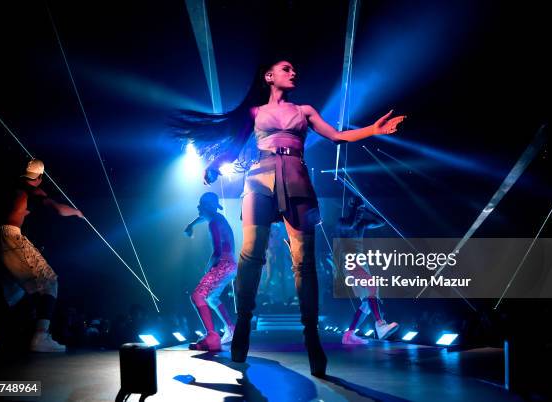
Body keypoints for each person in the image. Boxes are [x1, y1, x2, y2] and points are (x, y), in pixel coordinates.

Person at [171, 59, 406, 377]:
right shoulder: (255, 113)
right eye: (286, 68)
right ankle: (242, 328)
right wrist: (214, 165)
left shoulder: (305, 111)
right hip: (259, 180)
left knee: (304, 262)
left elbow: (336, 136)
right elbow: (237, 145)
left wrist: (373, 130)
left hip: (296, 179)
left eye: (295, 68)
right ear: (268, 76)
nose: (293, 72)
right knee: (250, 256)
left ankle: (313, 339)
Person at [0, 159, 84, 352]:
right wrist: (77, 212)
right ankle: (41, 337)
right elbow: (60, 210)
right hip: (11, 237)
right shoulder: (34, 191)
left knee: (11, 293)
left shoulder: (16, 188)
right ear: (40, 177)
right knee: (50, 281)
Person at [336, 197, 399, 345]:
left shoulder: (362, 223)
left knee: (366, 303)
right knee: (372, 286)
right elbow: (351, 223)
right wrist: (357, 209)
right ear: (351, 208)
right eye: (357, 210)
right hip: (351, 263)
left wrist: (366, 206)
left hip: (362, 263)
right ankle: (380, 325)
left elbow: (382, 221)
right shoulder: (342, 222)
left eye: (361, 211)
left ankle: (349, 334)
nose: (360, 213)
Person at [185, 192, 237, 351]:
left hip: (223, 263)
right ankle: (231, 329)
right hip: (231, 265)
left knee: (197, 296)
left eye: (200, 205)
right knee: (212, 298)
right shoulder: (218, 218)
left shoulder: (214, 223)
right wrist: (191, 225)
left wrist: (209, 266)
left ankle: (212, 337)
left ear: (206, 206)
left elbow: (217, 250)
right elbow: (203, 217)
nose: (198, 207)